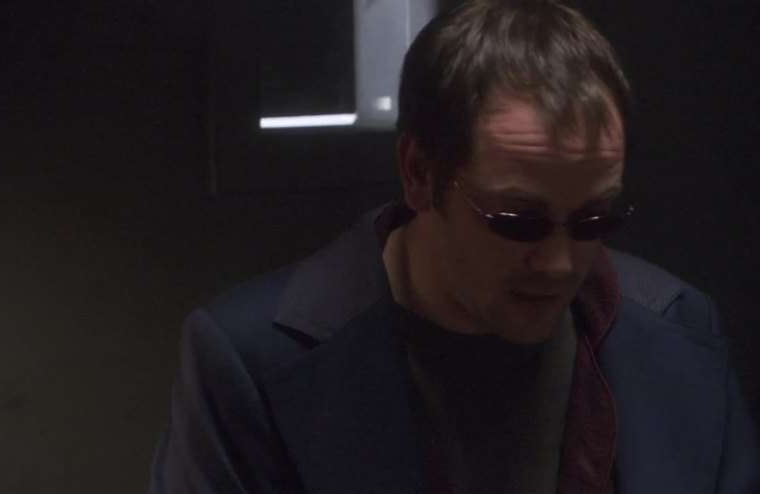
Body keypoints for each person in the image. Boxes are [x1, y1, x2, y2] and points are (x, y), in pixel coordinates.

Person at [150, 0, 760, 492]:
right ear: (419, 173)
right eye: (518, 220)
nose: (559, 263)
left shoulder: (680, 334)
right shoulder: (251, 363)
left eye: (592, 219)